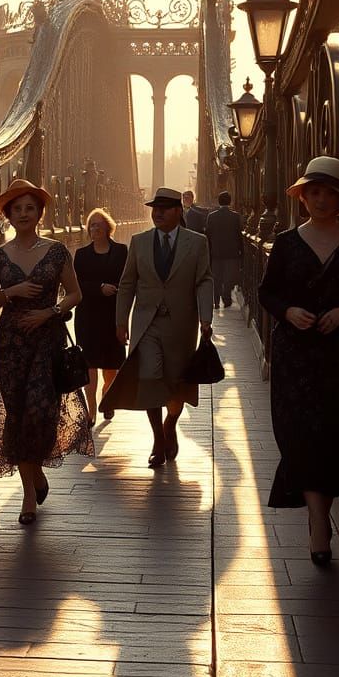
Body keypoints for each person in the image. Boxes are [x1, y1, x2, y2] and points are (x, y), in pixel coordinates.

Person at [258, 155, 339, 567]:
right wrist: (288, 312)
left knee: (334, 435)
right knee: (300, 436)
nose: (319, 199)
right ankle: (318, 520)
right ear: (303, 197)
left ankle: (322, 514)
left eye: (329, 193)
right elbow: (268, 293)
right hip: (296, 357)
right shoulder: (285, 242)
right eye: (312, 192)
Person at [0, 178, 92, 525]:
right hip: (10, 344)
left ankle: (32, 485)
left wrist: (50, 311)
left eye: (30, 208)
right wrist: (11, 291)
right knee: (17, 415)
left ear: (40, 213)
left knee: (40, 412)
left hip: (47, 340)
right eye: (17, 209)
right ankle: (32, 486)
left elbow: (75, 294)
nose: (23, 214)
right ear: (8, 215)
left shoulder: (56, 251)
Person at [100, 187, 213, 467]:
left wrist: (206, 318)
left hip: (181, 324)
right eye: (154, 207)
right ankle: (157, 439)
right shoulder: (139, 242)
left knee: (176, 383)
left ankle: (170, 425)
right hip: (146, 323)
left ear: (178, 211)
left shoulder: (197, 243)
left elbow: (204, 280)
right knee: (150, 378)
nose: (158, 212)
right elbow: (127, 283)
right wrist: (120, 320)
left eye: (164, 207)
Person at [73, 208, 128, 423]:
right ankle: (91, 408)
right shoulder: (82, 254)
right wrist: (99, 288)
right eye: (91, 225)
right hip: (88, 315)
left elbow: (127, 280)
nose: (94, 228)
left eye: (98, 224)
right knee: (89, 362)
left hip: (112, 314)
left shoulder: (121, 251)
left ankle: (107, 393)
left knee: (112, 363)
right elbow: (77, 285)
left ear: (108, 228)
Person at [205, 191, 243, 309]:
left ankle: (216, 301)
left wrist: (208, 251)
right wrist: (241, 251)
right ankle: (226, 299)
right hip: (231, 253)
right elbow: (239, 235)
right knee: (228, 278)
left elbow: (208, 235)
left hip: (215, 253)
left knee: (216, 277)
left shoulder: (211, 216)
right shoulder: (235, 216)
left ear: (219, 201)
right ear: (230, 201)